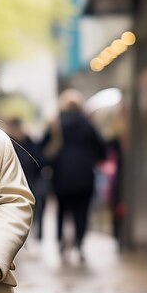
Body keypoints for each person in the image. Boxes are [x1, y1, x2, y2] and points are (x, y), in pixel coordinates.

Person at [43, 89, 106, 261]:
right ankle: (79, 241)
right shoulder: (88, 124)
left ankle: (61, 240)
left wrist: (49, 165)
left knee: (62, 209)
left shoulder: (55, 124)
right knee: (82, 210)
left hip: (61, 175)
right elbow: (101, 150)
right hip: (85, 175)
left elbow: (43, 148)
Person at [5, 118, 48, 241]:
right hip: (13, 185)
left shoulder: (29, 142)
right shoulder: (6, 143)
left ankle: (34, 236)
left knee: (34, 210)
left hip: (31, 184)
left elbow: (40, 161)